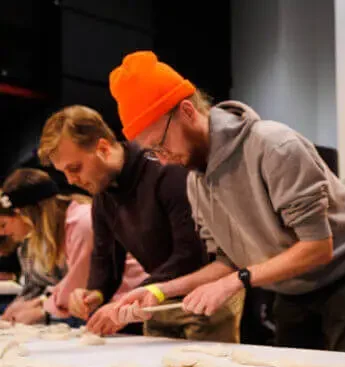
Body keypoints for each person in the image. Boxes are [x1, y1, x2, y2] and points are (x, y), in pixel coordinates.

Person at [106, 50, 345, 354]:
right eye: (150, 152)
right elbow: (229, 261)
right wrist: (159, 291)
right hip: (289, 288)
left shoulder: (274, 146)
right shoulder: (196, 182)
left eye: (160, 143)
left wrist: (236, 281)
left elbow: (317, 247)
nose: (162, 159)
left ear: (186, 111)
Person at [37, 105, 242, 342]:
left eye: (75, 168)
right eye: (64, 173)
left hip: (207, 297)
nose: (71, 180)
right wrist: (94, 293)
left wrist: (135, 295)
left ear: (103, 148)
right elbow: (105, 259)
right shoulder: (103, 198)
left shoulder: (165, 170)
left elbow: (191, 252)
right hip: (155, 300)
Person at [0, 168, 147, 328]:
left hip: (131, 305)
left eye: (3, 224)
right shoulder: (64, 226)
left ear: (29, 214)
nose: (2, 232)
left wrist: (43, 308)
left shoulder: (82, 222)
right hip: (110, 306)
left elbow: (78, 283)